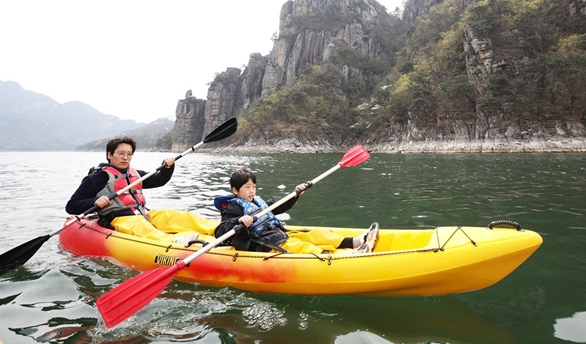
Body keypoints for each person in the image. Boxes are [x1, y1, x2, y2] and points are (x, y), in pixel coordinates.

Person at [65, 136, 216, 243]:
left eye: (129, 154)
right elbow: (72, 206)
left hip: (143, 214)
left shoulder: (135, 174)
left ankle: (218, 229)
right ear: (109, 155)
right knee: (142, 227)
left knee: (180, 216)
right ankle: (176, 243)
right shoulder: (97, 178)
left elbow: (159, 180)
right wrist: (95, 201)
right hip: (120, 219)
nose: (126, 158)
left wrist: (168, 168)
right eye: (121, 154)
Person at [213, 168, 379, 254]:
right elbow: (221, 230)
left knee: (313, 235)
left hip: (275, 233)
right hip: (259, 242)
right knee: (298, 246)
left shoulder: (256, 201)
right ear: (235, 190)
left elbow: (279, 205)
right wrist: (239, 221)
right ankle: (338, 258)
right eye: (247, 187)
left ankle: (356, 241)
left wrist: (295, 194)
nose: (252, 191)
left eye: (254, 187)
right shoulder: (233, 207)